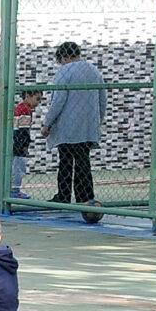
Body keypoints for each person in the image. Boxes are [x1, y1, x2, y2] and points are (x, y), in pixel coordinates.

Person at [39, 41, 106, 212]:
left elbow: (58, 100)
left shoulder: (64, 71)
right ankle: (86, 197)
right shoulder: (93, 70)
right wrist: (98, 120)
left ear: (65, 57)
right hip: (87, 124)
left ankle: (64, 195)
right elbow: (102, 98)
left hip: (67, 125)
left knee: (66, 162)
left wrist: (48, 123)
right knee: (84, 161)